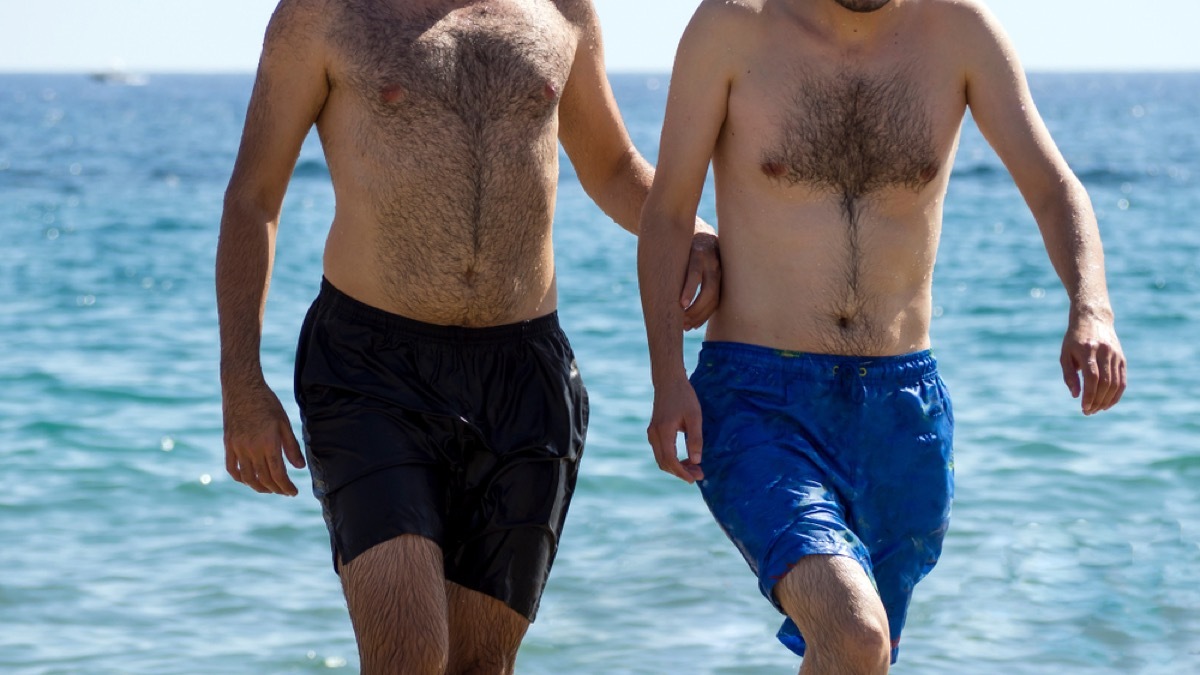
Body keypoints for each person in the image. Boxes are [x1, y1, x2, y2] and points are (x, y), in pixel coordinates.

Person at [215, 1, 720, 673]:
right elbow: (254, 197)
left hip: (525, 375)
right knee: (410, 655)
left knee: (482, 664)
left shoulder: (560, 10)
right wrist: (241, 381)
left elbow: (613, 169)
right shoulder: (325, 13)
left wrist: (701, 234)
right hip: (370, 372)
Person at [638, 0, 1127, 672]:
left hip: (903, 410)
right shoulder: (733, 26)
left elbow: (1054, 187)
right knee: (854, 632)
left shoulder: (959, 32)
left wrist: (1091, 306)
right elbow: (666, 211)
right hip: (758, 397)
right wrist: (667, 375)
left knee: (858, 654)